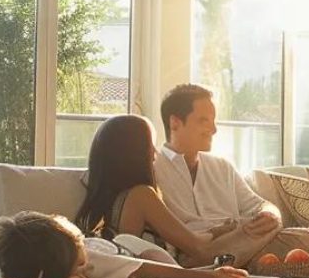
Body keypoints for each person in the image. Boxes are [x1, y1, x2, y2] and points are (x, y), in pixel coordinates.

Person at [73, 114, 270, 269]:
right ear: (133, 154)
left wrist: (219, 231)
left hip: (141, 274)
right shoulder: (142, 196)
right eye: (149, 146)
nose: (155, 153)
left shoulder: (109, 199)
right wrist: (240, 230)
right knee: (264, 231)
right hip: (163, 277)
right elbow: (198, 248)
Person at [153, 84, 309, 267]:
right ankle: (211, 262)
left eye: (214, 121)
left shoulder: (222, 166)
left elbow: (258, 205)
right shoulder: (154, 169)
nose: (214, 129)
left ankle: (223, 262)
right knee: (294, 245)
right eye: (204, 121)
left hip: (244, 242)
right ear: (175, 123)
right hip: (196, 248)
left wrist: (270, 215)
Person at [0, 210, 251, 278]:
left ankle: (207, 258)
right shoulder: (21, 269)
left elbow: (142, 268)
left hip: (128, 249)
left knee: (162, 268)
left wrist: (210, 276)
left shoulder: (90, 258)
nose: (82, 267)